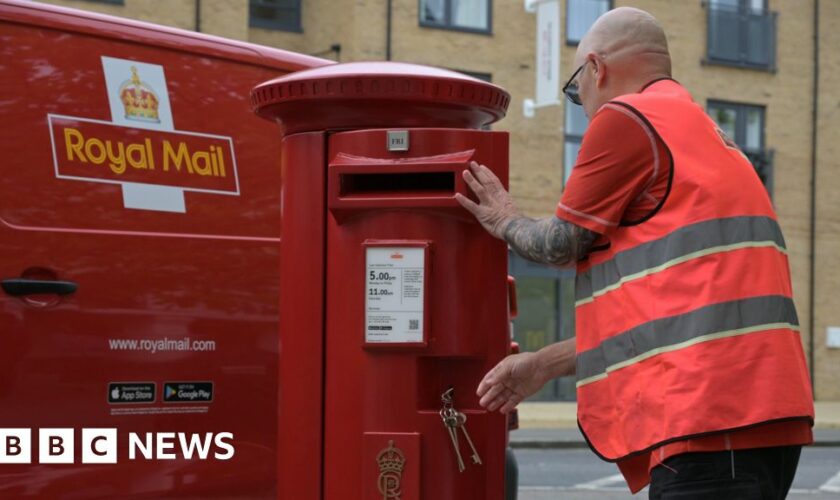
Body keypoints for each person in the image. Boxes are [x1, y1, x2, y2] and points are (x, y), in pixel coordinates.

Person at [455, 6, 815, 499]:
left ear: (596, 69)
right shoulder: (703, 133)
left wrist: (503, 219)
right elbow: (662, 326)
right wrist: (542, 365)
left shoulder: (626, 118)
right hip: (763, 415)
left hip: (708, 418)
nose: (581, 104)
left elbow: (561, 243)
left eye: (575, 87)